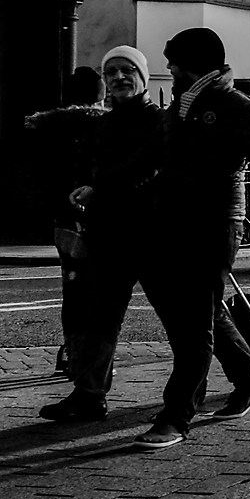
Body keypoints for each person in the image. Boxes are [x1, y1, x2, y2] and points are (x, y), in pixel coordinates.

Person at [134, 29, 250, 449]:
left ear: (193, 62)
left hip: (213, 224)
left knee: (193, 323)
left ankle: (176, 417)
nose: (169, 68)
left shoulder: (239, 109)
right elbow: (150, 159)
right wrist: (98, 186)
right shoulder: (180, 106)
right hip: (170, 223)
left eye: (173, 60)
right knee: (201, 313)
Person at [42, 47, 168, 423]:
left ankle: (248, 374)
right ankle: (89, 395)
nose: (119, 78)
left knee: (187, 315)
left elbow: (148, 169)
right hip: (109, 234)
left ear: (143, 77)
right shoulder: (103, 123)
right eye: (111, 72)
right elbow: (88, 168)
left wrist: (99, 189)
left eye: (128, 70)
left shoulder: (158, 121)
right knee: (98, 316)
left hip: (151, 234)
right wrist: (80, 190)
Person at [27, 66, 107, 381]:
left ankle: (73, 352)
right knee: (102, 291)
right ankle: (97, 359)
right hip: (102, 217)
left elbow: (41, 176)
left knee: (73, 288)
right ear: (101, 95)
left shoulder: (48, 127)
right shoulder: (108, 126)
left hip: (64, 220)